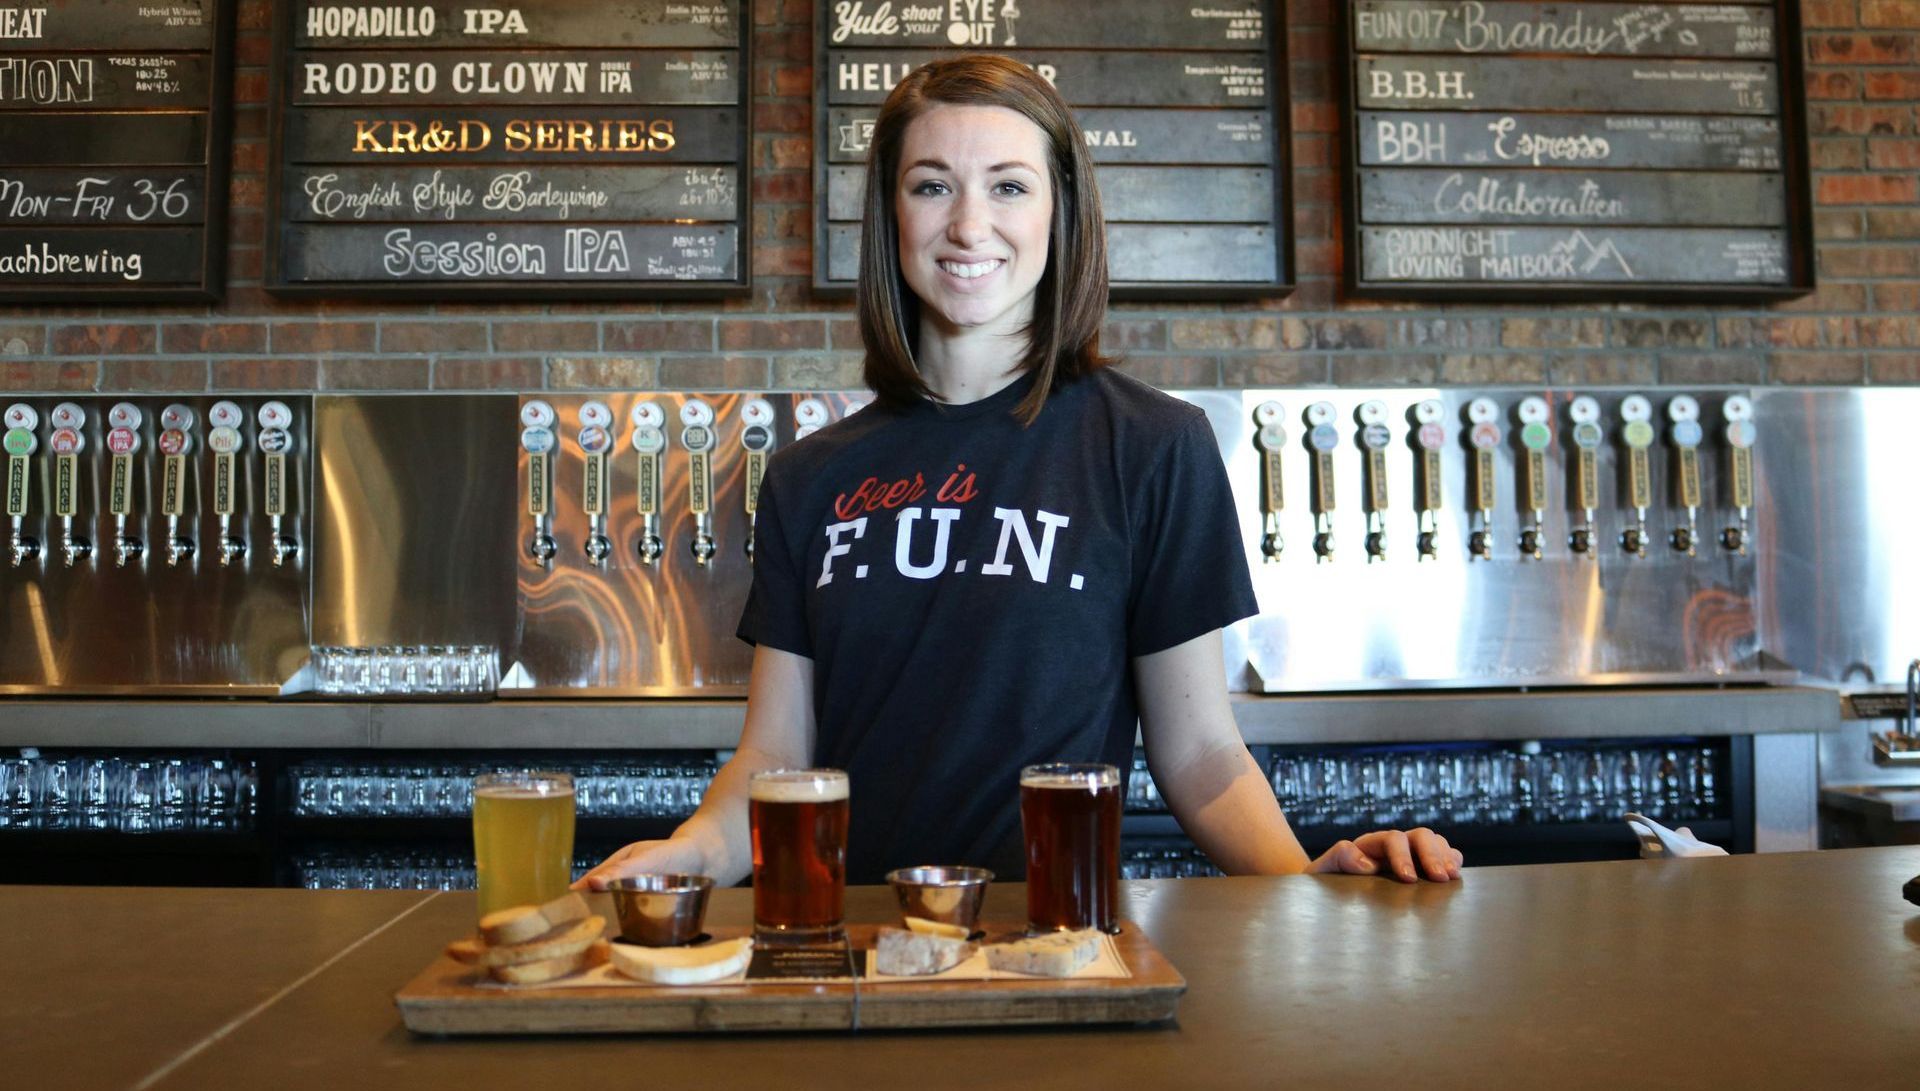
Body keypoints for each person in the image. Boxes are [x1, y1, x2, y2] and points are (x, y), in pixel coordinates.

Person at [581, 55, 1461, 892]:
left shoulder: (1153, 446)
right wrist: (687, 853)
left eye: (1008, 185)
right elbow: (774, 758)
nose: (969, 225)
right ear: (892, 214)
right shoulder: (811, 477)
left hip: (1059, 942)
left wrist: (1305, 880)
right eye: (932, 185)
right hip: (858, 950)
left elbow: (1199, 752)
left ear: (1058, 211)